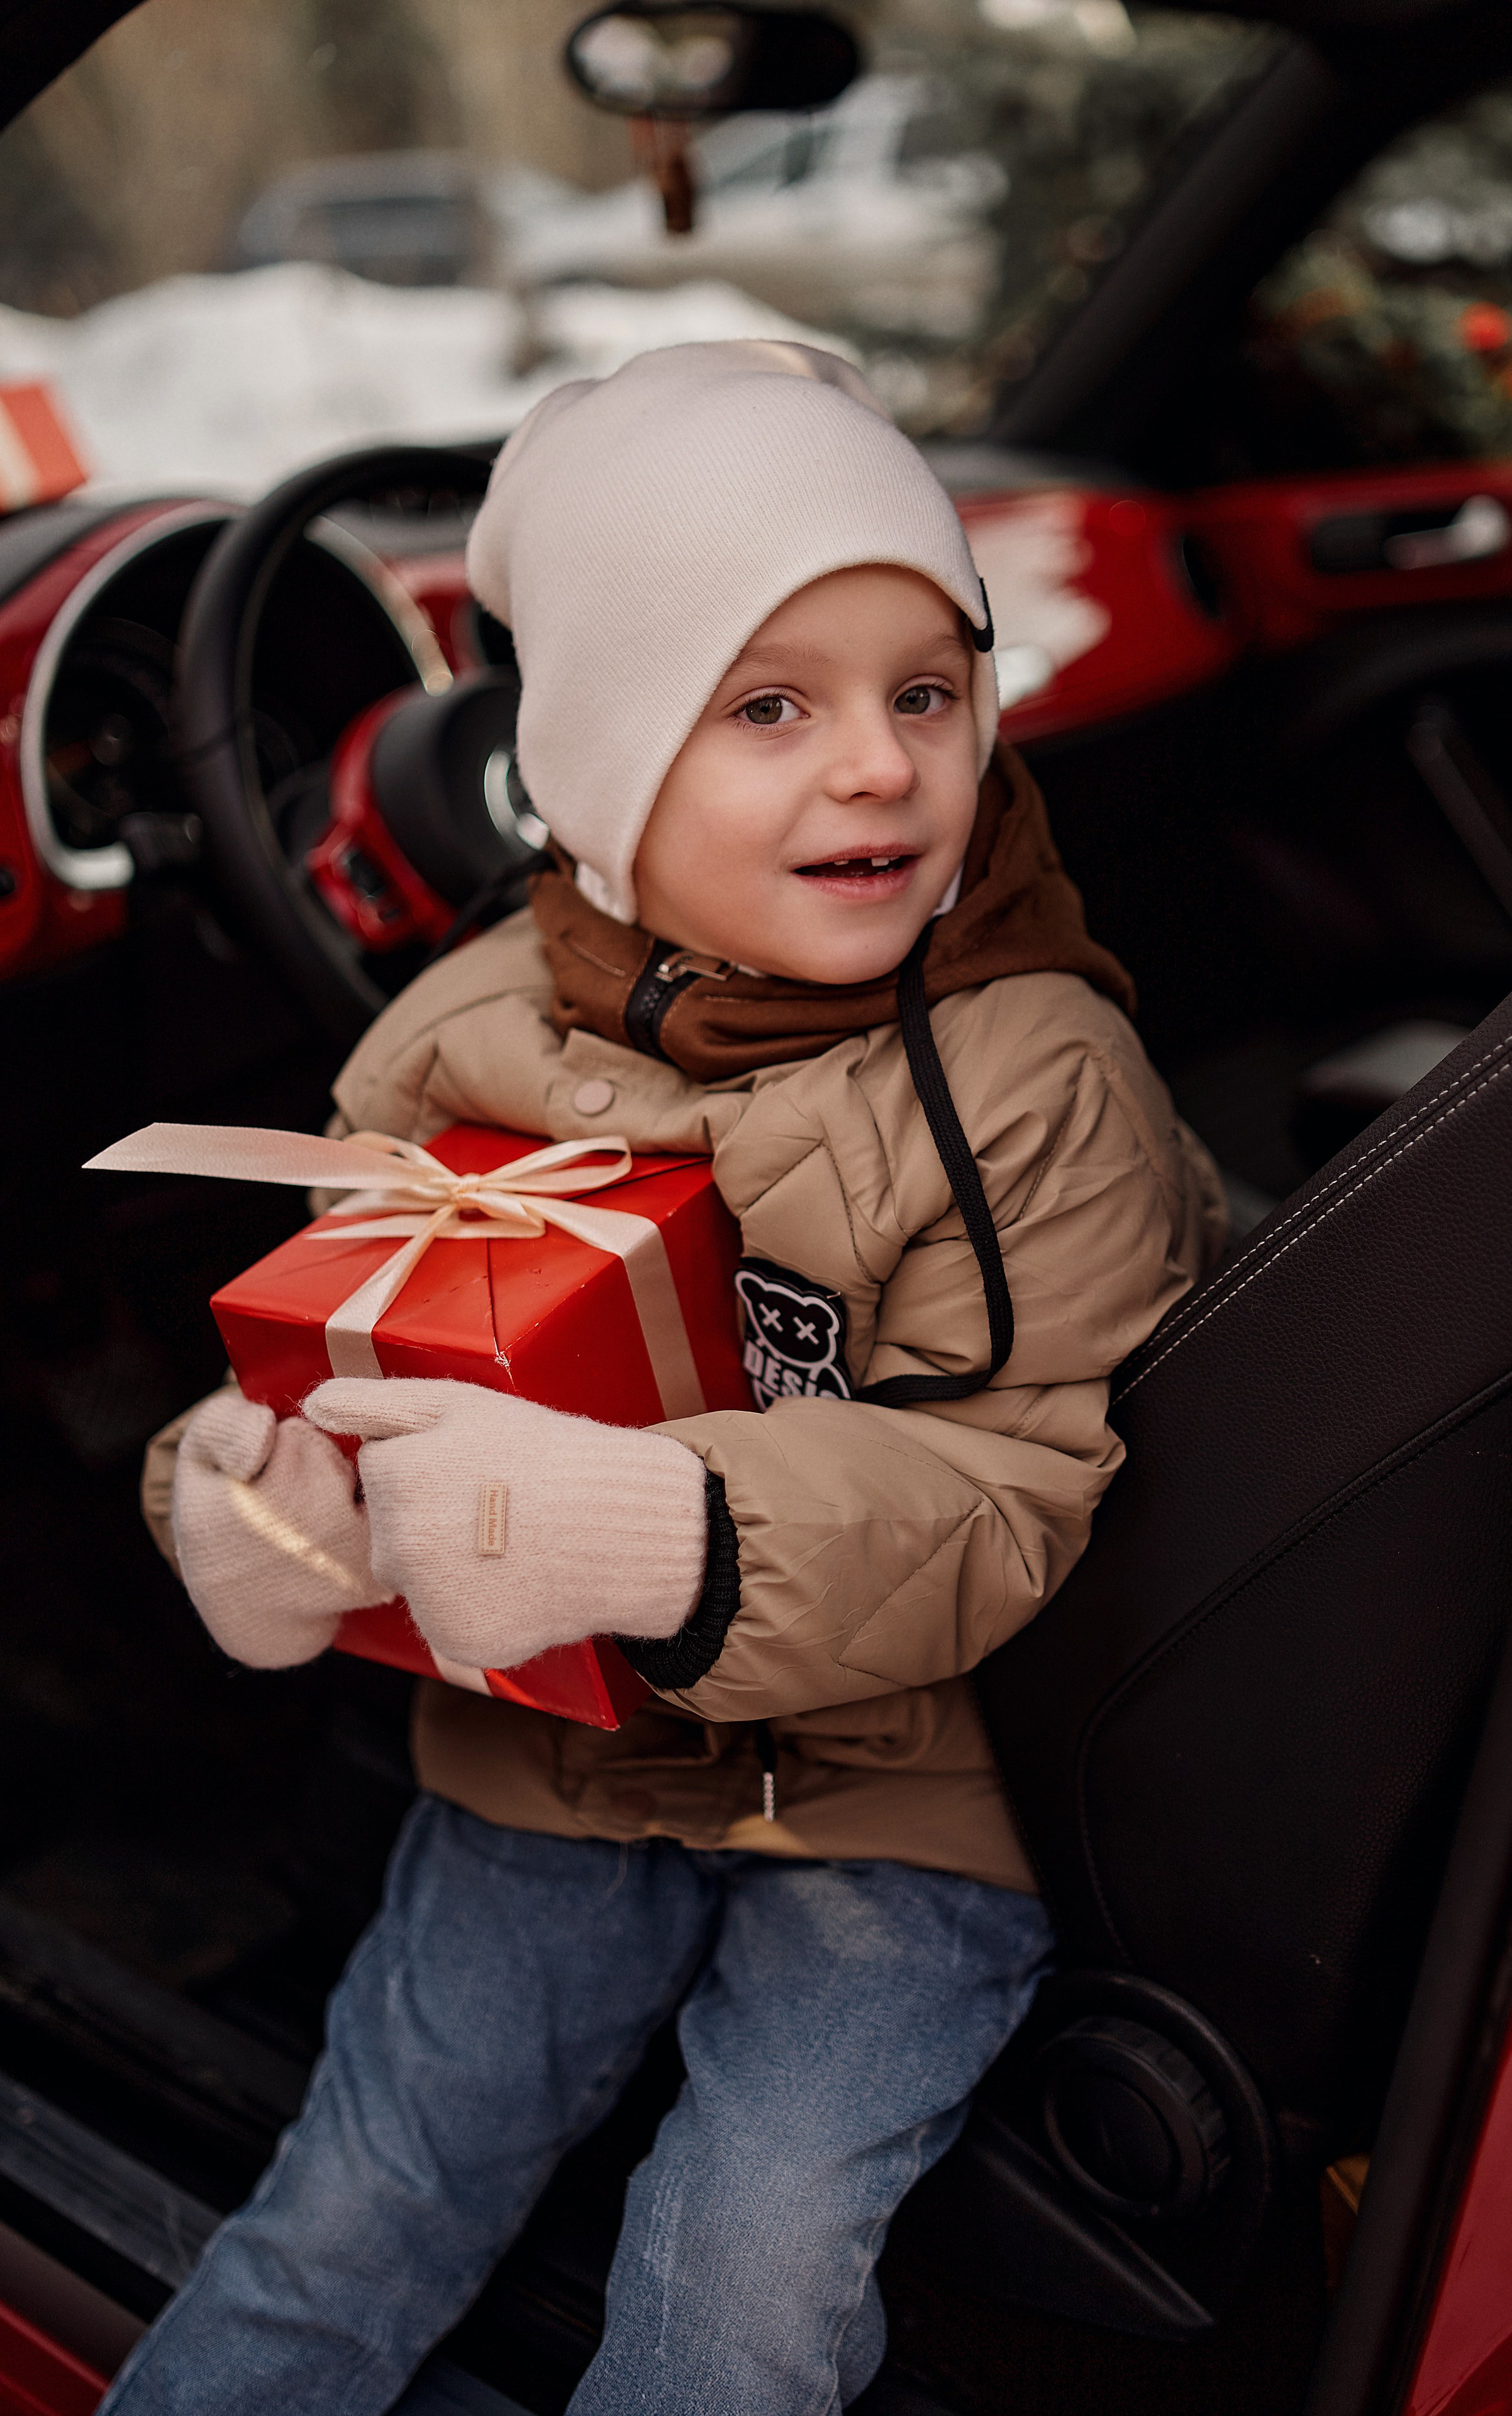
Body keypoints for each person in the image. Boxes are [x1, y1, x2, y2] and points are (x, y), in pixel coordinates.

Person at [106, 340, 1225, 2415]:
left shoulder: (1036, 1077)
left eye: (927, 691)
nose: (883, 767)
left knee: (750, 2246)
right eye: (773, 708)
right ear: (603, 770)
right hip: (545, 1751)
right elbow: (342, 1338)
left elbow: (1019, 1488)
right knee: (368, 2180)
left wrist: (658, 1523)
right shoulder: (463, 1025)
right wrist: (255, 1504)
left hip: (904, 1786)